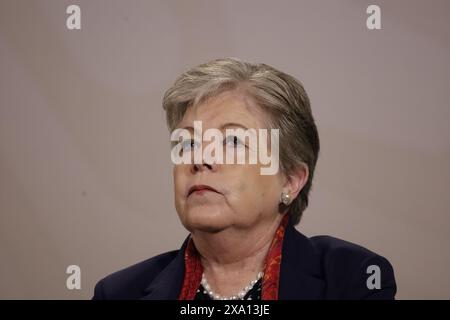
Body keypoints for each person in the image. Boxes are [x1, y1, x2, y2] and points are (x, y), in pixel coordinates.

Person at [93, 58, 396, 300]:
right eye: (187, 144)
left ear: (290, 180)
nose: (200, 160)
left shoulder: (352, 278)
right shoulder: (119, 292)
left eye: (233, 142)